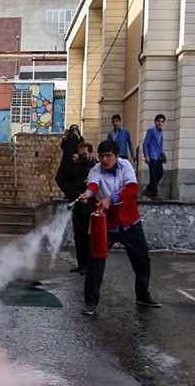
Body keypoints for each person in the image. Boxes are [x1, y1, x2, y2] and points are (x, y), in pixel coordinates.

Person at [77, 140, 161, 316]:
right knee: (96, 262)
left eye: (108, 156)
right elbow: (93, 185)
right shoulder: (95, 170)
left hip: (130, 222)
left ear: (116, 155)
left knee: (142, 260)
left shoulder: (126, 166)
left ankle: (142, 295)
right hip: (106, 223)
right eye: (101, 156)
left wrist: (110, 199)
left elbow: (132, 188)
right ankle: (91, 302)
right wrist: (87, 194)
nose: (104, 160)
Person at [69, 142, 97, 274]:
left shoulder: (96, 166)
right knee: (78, 235)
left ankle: (88, 266)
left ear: (90, 153)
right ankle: (81, 265)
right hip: (78, 205)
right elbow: (69, 183)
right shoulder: (75, 166)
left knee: (88, 237)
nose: (82, 157)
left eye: (84, 154)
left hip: (90, 206)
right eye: (80, 154)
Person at [55, 124, 83, 198]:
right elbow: (62, 147)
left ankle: (70, 195)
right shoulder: (68, 138)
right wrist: (64, 138)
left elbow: (82, 148)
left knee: (71, 181)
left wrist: (79, 137)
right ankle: (68, 193)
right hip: (65, 163)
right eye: (72, 129)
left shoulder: (79, 139)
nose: (73, 131)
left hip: (73, 164)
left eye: (75, 129)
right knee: (59, 178)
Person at [142, 114, 166, 198]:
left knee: (160, 173)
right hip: (151, 156)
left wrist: (162, 155)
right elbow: (145, 144)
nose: (160, 123)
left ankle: (148, 189)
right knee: (153, 175)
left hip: (158, 157)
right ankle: (154, 194)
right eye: (158, 121)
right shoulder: (151, 130)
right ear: (155, 122)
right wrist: (146, 156)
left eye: (162, 121)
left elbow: (161, 145)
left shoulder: (161, 132)